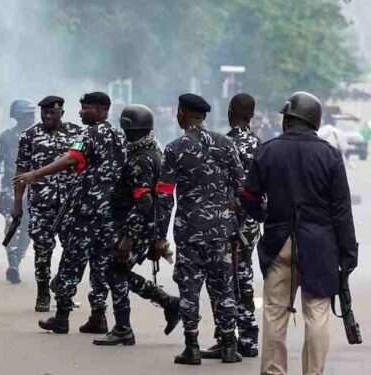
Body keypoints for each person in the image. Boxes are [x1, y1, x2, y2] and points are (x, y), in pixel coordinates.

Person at [240, 91, 358, 375]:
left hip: (278, 242)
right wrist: (348, 253)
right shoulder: (329, 155)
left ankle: (273, 371)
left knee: (274, 313)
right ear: (314, 121)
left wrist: (265, 216)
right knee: (316, 314)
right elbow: (341, 210)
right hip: (319, 246)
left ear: (289, 120)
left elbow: (248, 197)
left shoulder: (267, 150)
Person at [13, 92, 124, 334]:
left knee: (71, 262)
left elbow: (71, 158)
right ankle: (98, 316)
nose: (82, 112)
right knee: (100, 264)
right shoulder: (119, 135)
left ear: (102, 110)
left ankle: (62, 316)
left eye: (87, 109)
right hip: (110, 211)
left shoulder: (89, 134)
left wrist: (35, 174)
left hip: (87, 210)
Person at [158, 93, 244, 365]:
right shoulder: (226, 144)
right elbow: (241, 187)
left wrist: (160, 236)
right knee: (224, 288)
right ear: (203, 116)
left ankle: (192, 347)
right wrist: (234, 224)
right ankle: (229, 345)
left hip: (190, 230)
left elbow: (163, 195)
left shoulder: (174, 149)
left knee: (190, 288)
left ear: (182, 113)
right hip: (221, 230)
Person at [92, 104, 180, 346]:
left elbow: (143, 201)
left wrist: (128, 238)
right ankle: (167, 303)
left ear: (132, 129)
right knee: (117, 271)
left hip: (135, 228)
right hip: (141, 226)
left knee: (114, 270)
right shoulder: (152, 151)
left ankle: (123, 328)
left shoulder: (141, 158)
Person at [200, 93, 261, 359]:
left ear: (230, 112)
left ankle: (227, 336)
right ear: (252, 115)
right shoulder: (261, 144)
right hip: (251, 222)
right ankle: (249, 337)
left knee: (222, 280)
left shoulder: (224, 143)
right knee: (244, 276)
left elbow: (215, 185)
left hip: (227, 222)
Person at [12, 95, 84, 312]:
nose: (48, 116)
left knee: (72, 250)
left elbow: (83, 162)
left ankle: (63, 290)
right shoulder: (29, 136)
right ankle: (43, 293)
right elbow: (21, 170)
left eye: (52, 112)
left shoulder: (77, 133)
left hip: (70, 203)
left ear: (61, 112)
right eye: (44, 113)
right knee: (43, 249)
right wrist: (17, 203)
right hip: (41, 203)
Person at [0, 99, 35, 284]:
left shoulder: (40, 136)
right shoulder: (6, 138)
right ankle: (12, 263)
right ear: (18, 116)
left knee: (28, 230)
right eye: (27, 115)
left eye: (32, 115)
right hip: (10, 188)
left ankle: (16, 262)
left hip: (34, 191)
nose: (31, 118)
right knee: (12, 225)